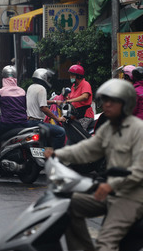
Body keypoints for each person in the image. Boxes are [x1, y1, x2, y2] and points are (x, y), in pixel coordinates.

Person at [44, 79, 143, 251]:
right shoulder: (109, 128)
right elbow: (87, 149)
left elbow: (139, 171)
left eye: (112, 101)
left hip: (131, 197)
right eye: (105, 101)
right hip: (110, 193)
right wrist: (57, 154)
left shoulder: (138, 130)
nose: (107, 105)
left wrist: (111, 185)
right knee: (66, 205)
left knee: (106, 243)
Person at [26, 68, 66, 149]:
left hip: (29, 122)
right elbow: (43, 108)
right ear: (43, 77)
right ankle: (56, 156)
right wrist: (57, 119)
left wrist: (55, 102)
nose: (48, 80)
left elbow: (41, 101)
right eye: (48, 78)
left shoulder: (31, 87)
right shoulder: (42, 89)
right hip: (37, 123)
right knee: (61, 132)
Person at [63, 64, 94, 131]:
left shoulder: (85, 84)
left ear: (78, 76)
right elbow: (69, 98)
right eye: (70, 75)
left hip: (85, 116)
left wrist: (71, 101)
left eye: (72, 75)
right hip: (75, 115)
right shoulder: (73, 86)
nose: (70, 77)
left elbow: (85, 96)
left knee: (78, 132)